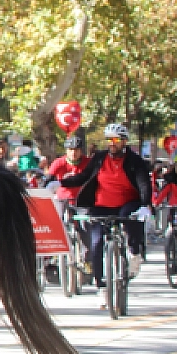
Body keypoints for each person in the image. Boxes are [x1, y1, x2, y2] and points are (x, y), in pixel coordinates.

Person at [62, 123, 151, 306]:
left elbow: (144, 184)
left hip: (127, 203)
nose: (112, 143)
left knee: (130, 217)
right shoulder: (99, 158)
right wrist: (61, 182)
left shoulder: (134, 161)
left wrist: (145, 205)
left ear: (124, 141)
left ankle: (134, 253)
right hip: (102, 205)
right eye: (109, 139)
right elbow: (84, 176)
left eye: (116, 139)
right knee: (96, 243)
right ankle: (101, 285)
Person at [46, 136, 89, 224]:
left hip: (81, 198)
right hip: (62, 198)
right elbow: (48, 180)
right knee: (57, 221)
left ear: (81, 151)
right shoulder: (59, 162)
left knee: (85, 224)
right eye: (70, 149)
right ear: (66, 150)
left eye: (76, 150)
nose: (73, 153)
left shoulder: (88, 162)